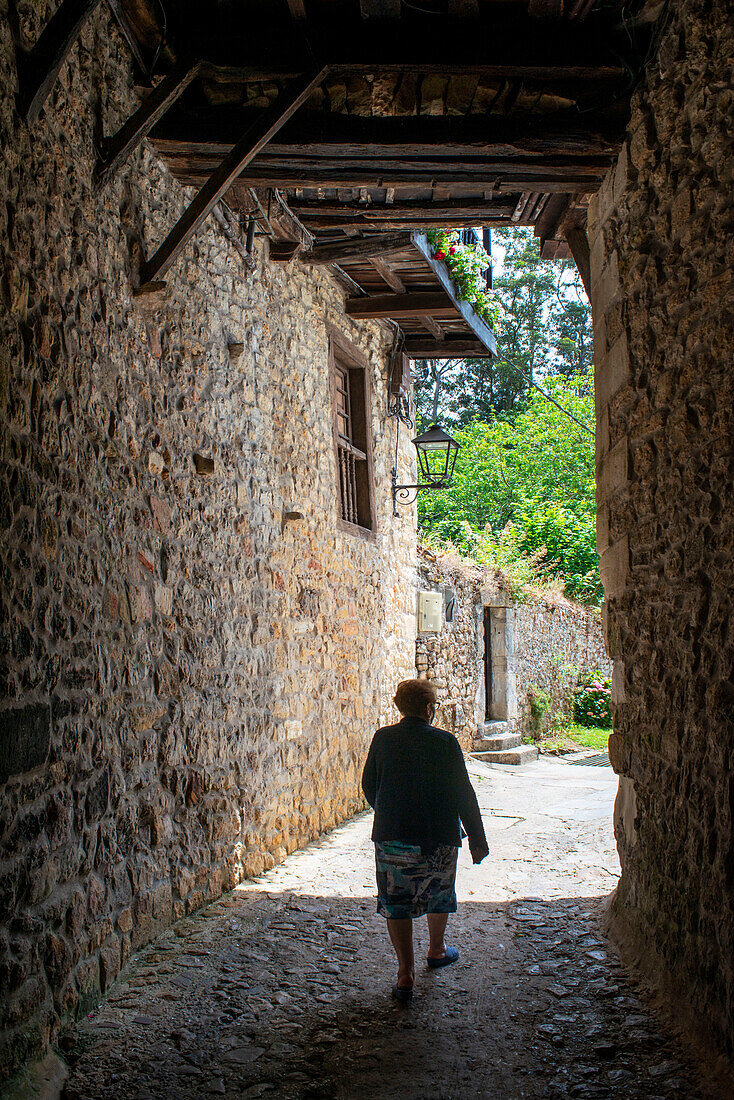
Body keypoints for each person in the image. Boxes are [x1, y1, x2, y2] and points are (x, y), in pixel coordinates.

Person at [361, 679, 489, 1002]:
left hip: (393, 837)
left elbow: (368, 785)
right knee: (438, 893)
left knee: (397, 902)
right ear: (430, 709)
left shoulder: (383, 739)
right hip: (439, 837)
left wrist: (390, 810)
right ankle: (436, 949)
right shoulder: (446, 743)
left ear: (400, 708)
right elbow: (464, 792)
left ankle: (405, 974)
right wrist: (477, 838)